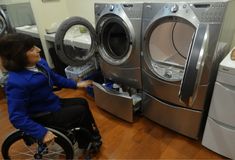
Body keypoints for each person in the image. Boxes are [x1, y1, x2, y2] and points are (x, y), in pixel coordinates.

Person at [0, 33, 101, 149]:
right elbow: (17, 117)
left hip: (50, 103)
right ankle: (87, 143)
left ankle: (91, 135)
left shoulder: (39, 63)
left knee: (82, 102)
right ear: (19, 56)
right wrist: (41, 133)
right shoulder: (16, 82)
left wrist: (76, 84)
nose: (38, 50)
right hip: (42, 114)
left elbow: (55, 78)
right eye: (32, 49)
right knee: (80, 111)